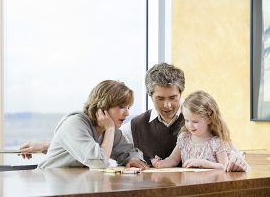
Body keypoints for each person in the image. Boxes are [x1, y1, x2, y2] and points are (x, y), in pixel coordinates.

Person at [20, 63, 248, 171]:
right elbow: (91, 146)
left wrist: (237, 162)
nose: (167, 105)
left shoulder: (196, 122)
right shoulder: (133, 126)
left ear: (181, 95)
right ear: (150, 96)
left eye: (173, 97)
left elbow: (229, 151)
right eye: (160, 98)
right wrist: (51, 145)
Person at [35, 80, 148, 169]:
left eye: (128, 108)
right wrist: (109, 129)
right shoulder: (74, 124)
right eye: (122, 107)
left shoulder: (112, 131)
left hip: (77, 185)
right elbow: (98, 162)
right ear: (103, 106)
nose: (127, 113)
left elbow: (131, 153)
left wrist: (133, 160)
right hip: (49, 185)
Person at [152, 91, 234, 170]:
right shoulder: (184, 138)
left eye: (195, 121)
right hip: (188, 183)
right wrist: (162, 163)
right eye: (186, 120)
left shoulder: (216, 143)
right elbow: (173, 159)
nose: (189, 125)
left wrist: (204, 163)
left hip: (209, 184)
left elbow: (225, 167)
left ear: (209, 119)